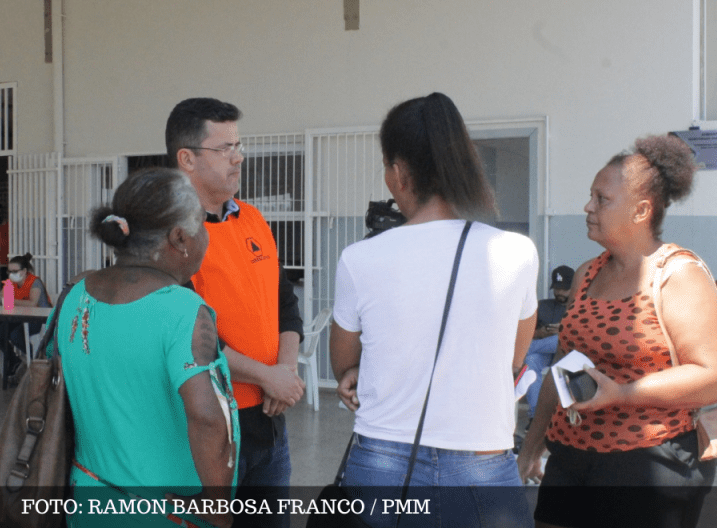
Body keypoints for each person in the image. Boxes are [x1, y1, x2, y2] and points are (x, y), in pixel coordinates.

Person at [329, 93, 538, 528]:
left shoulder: (359, 258)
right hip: (482, 462)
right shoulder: (517, 252)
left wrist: (359, 374)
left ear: (399, 173)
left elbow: (343, 363)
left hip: (383, 461)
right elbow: (513, 359)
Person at [518, 134, 717, 528]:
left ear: (641, 210)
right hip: (570, 458)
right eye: (591, 196)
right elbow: (562, 366)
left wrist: (623, 393)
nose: (588, 207)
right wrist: (531, 448)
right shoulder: (587, 274)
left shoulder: (677, 275)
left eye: (601, 199)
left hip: (647, 463)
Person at [57, 168, 238, 528]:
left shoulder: (73, 297)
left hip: (88, 501)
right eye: (203, 225)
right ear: (179, 238)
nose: (206, 236)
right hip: (164, 511)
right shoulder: (182, 309)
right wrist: (218, 504)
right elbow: (206, 417)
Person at [166, 97, 304, 528]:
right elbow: (193, 336)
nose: (238, 157)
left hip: (269, 421)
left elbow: (286, 305)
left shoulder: (253, 219)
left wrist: (283, 373)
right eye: (224, 148)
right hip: (209, 426)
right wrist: (268, 377)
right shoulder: (172, 237)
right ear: (187, 159)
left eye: (238, 146)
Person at [0, 253, 51, 382]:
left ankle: (36, 359)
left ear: (24, 271)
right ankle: (15, 360)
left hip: (38, 319)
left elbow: (33, 303)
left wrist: (9, 300)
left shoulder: (35, 282)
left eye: (14, 271)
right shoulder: (11, 283)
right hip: (19, 318)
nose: (11, 274)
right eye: (9, 271)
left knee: (16, 335)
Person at [523, 265, 575, 420]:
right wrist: (540, 333)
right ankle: (535, 416)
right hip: (545, 353)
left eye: (564, 289)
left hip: (568, 356)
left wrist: (563, 330)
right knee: (531, 361)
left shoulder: (579, 307)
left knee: (561, 338)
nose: (560, 293)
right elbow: (525, 333)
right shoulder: (542, 305)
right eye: (557, 289)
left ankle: (522, 350)